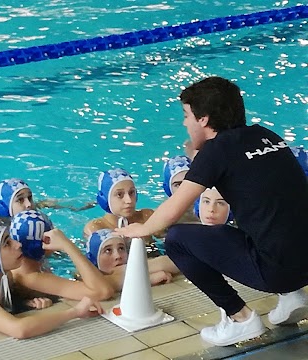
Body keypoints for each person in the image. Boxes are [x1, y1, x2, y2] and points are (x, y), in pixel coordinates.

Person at [113, 76, 308, 346]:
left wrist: (143, 229)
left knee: (178, 240)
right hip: (304, 261)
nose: (184, 123)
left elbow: (174, 208)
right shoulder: (265, 135)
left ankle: (240, 318)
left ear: (203, 119)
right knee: (270, 218)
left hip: (277, 270)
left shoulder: (217, 150)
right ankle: (292, 295)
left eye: (186, 115)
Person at [0, 222, 103, 339]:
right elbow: (20, 330)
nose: (18, 244)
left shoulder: (6, 276)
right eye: (7, 243)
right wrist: (74, 312)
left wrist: (27, 302)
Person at [9, 210, 113, 301]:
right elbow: (103, 291)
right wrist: (67, 245)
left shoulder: (24, 266)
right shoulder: (31, 278)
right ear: (46, 241)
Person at [85, 229, 176, 291]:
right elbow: (101, 289)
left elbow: (174, 262)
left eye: (121, 248)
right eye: (108, 250)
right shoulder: (84, 278)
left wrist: (130, 270)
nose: (118, 256)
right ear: (94, 260)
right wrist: (147, 279)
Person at [83, 168, 155, 246]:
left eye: (131, 192)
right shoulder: (96, 229)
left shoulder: (146, 217)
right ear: (105, 199)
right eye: (119, 194)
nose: (129, 200)